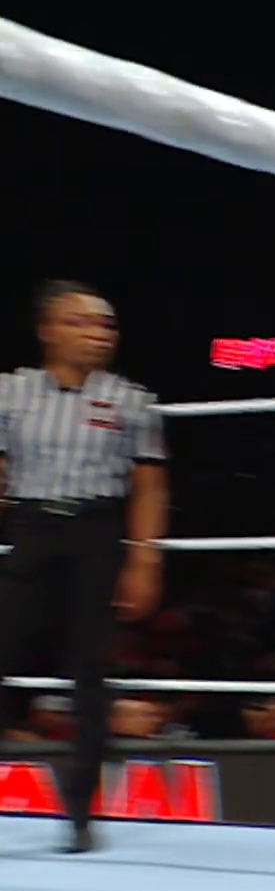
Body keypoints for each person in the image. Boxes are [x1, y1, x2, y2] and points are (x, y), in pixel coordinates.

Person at [0, 280, 169, 853]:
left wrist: (144, 558)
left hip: (97, 531)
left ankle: (79, 813)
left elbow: (149, 484)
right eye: (81, 322)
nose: (99, 334)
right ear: (47, 330)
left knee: (91, 673)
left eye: (106, 324)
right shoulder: (11, 392)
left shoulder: (132, 400)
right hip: (30, 525)